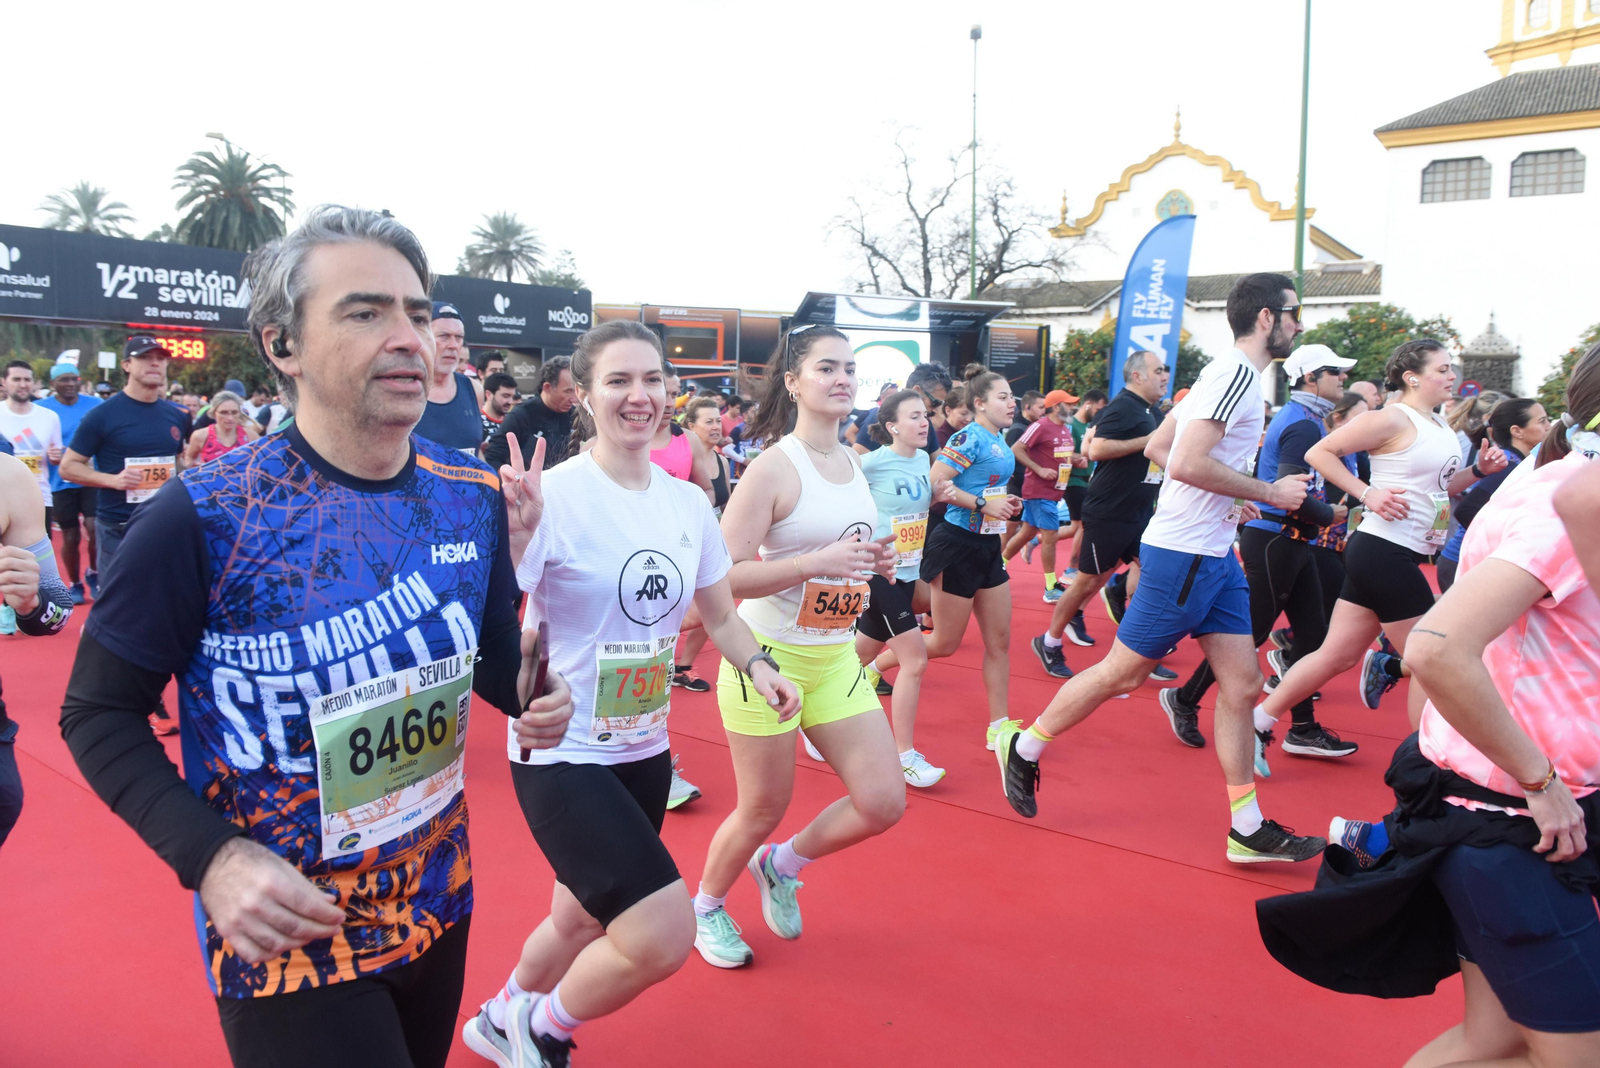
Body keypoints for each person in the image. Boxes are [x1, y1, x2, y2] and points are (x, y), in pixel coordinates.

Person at [57, 205, 573, 1068]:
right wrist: (211, 858)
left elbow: (488, 660)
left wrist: (528, 693)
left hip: (438, 896)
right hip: (290, 933)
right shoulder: (203, 516)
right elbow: (96, 713)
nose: (408, 335)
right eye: (366, 312)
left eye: (416, 311)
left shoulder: (468, 492)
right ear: (281, 346)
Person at [464, 320, 797, 1066]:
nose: (638, 396)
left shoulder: (685, 505)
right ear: (584, 395)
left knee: (580, 918)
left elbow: (718, 613)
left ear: (670, 393)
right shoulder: (551, 496)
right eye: (618, 380)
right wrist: (517, 541)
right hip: (561, 749)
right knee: (660, 932)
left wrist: (761, 666)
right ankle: (542, 1027)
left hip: (645, 747)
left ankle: (498, 1015)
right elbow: (498, 625)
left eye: (652, 380)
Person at [1312, 349, 1600, 1068]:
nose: (1447, 376)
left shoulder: (1543, 474)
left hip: (1495, 806)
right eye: (1439, 366)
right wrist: (1539, 781)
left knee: (1492, 1040)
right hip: (1513, 822)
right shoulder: (1567, 495)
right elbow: (1437, 652)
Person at [995, 273, 1325, 866]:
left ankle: (1245, 827)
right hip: (1183, 554)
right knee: (1122, 675)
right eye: (1295, 313)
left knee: (1243, 684)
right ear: (1268, 318)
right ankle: (1023, 743)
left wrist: (1237, 495)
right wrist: (1268, 491)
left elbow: (1159, 450)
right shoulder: (1233, 377)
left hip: (1215, 554)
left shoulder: (1226, 376)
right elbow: (1191, 461)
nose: (1301, 324)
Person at [691, 323, 903, 970]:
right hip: (765, 658)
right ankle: (705, 908)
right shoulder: (772, 468)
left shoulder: (854, 459)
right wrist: (817, 562)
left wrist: (874, 561)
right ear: (794, 382)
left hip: (835, 654)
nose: (842, 379)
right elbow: (720, 576)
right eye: (826, 368)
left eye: (849, 369)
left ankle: (782, 866)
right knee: (762, 806)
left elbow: (845, 550)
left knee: (882, 802)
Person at [1254, 339, 1509, 751]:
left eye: (1451, 369)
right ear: (1412, 377)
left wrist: (1478, 470)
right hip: (1382, 549)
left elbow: (1439, 489)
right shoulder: (1393, 418)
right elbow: (1321, 452)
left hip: (1397, 550)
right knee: (1433, 661)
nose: (1451, 376)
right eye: (1442, 369)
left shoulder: (1439, 424)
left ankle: (1258, 720)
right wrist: (1366, 492)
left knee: (1336, 656)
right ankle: (1427, 760)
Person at [1158, 343, 1358, 758]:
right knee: (1248, 637)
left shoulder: (1304, 418)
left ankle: (1302, 726)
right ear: (1310, 378)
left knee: (1311, 637)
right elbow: (1289, 491)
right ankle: (1185, 700)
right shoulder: (1303, 424)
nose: (1343, 379)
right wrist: (1330, 513)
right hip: (1276, 538)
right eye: (1335, 372)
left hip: (1286, 539)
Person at [877, 371, 1019, 749]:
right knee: (943, 643)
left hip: (988, 547)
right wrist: (983, 504)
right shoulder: (968, 437)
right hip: (956, 544)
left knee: (1000, 641)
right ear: (980, 403)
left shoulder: (1000, 440)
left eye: (1012, 397)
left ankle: (999, 727)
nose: (1012, 403)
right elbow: (937, 483)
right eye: (1003, 397)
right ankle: (875, 666)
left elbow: (986, 487)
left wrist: (1001, 504)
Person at [1031, 354, 1167, 675]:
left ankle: (1138, 649)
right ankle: (1049, 642)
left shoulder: (1153, 411)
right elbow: (1098, 449)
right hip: (1109, 512)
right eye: (1158, 370)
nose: (1164, 376)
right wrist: (1148, 441)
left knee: (1155, 572)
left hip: (1139, 512)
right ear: (1137, 376)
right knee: (1086, 581)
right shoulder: (1123, 406)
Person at [58, 336, 192, 593]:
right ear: (127, 365)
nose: (154, 364)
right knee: (117, 602)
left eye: (160, 359)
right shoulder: (102, 415)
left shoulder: (175, 415)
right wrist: (112, 480)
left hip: (165, 522)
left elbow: (176, 462)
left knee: (164, 597)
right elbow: (69, 466)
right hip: (119, 527)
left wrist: (195, 476)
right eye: (145, 358)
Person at [856, 389, 941, 787]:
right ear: (891, 427)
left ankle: (804, 717)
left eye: (925, 415)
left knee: (857, 656)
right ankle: (904, 755)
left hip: (908, 572)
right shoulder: (869, 463)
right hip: (879, 572)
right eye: (913, 416)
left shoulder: (924, 459)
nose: (924, 422)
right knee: (915, 660)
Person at [1435, 398, 1549, 591]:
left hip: (1468, 561)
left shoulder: (1518, 461)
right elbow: (1467, 510)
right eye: (1542, 421)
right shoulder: (1507, 464)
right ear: (1517, 431)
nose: (1549, 426)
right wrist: (1510, 540)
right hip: (1462, 562)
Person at [1002, 390, 1082, 604]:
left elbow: (1057, 454)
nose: (1074, 407)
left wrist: (1074, 459)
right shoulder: (1039, 426)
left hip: (1053, 492)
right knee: (1050, 536)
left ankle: (998, 566)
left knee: (1027, 532)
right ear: (1056, 406)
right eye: (1069, 404)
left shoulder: (1065, 429)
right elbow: (1016, 449)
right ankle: (1050, 587)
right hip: (1038, 491)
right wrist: (1039, 470)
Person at [37, 362, 102, 603]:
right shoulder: (41, 409)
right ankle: (75, 583)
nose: (70, 384)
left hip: (89, 478)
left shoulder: (95, 405)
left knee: (95, 527)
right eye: (64, 379)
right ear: (53, 384)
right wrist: (49, 455)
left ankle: (94, 573)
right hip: (58, 481)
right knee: (71, 536)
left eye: (74, 379)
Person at [0, 361, 64, 533]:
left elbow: (55, 460)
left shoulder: (49, 417)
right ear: (4, 382)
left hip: (38, 499)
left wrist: (56, 457)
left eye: (27, 380)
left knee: (39, 558)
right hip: (3, 499)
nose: (23, 384)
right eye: (16, 379)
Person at [484, 356, 578, 472]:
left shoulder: (574, 416)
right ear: (547, 387)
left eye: (576, 390)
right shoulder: (521, 415)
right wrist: (514, 480)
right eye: (568, 391)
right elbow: (493, 457)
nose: (574, 398)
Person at [413, 302, 484, 453]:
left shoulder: (474, 390)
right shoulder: (403, 389)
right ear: (422, 337)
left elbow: (476, 452)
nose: (453, 345)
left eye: (459, 337)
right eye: (444, 336)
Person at [1001, 389, 1047, 548]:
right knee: (1008, 528)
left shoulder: (1031, 427)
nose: (1044, 411)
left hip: (1027, 487)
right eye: (1040, 407)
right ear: (1027, 407)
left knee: (1024, 529)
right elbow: (1009, 457)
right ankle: (993, 565)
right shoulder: (1018, 429)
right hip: (1016, 487)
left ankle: (998, 563)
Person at [181, 391, 256, 467]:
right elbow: (189, 457)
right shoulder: (201, 436)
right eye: (224, 413)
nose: (230, 418)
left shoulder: (250, 436)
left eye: (234, 412)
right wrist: (193, 468)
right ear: (214, 413)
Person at [479, 371, 519, 445]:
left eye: (512, 397)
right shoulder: (475, 422)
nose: (510, 402)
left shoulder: (514, 422)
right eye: (505, 396)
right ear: (489, 395)